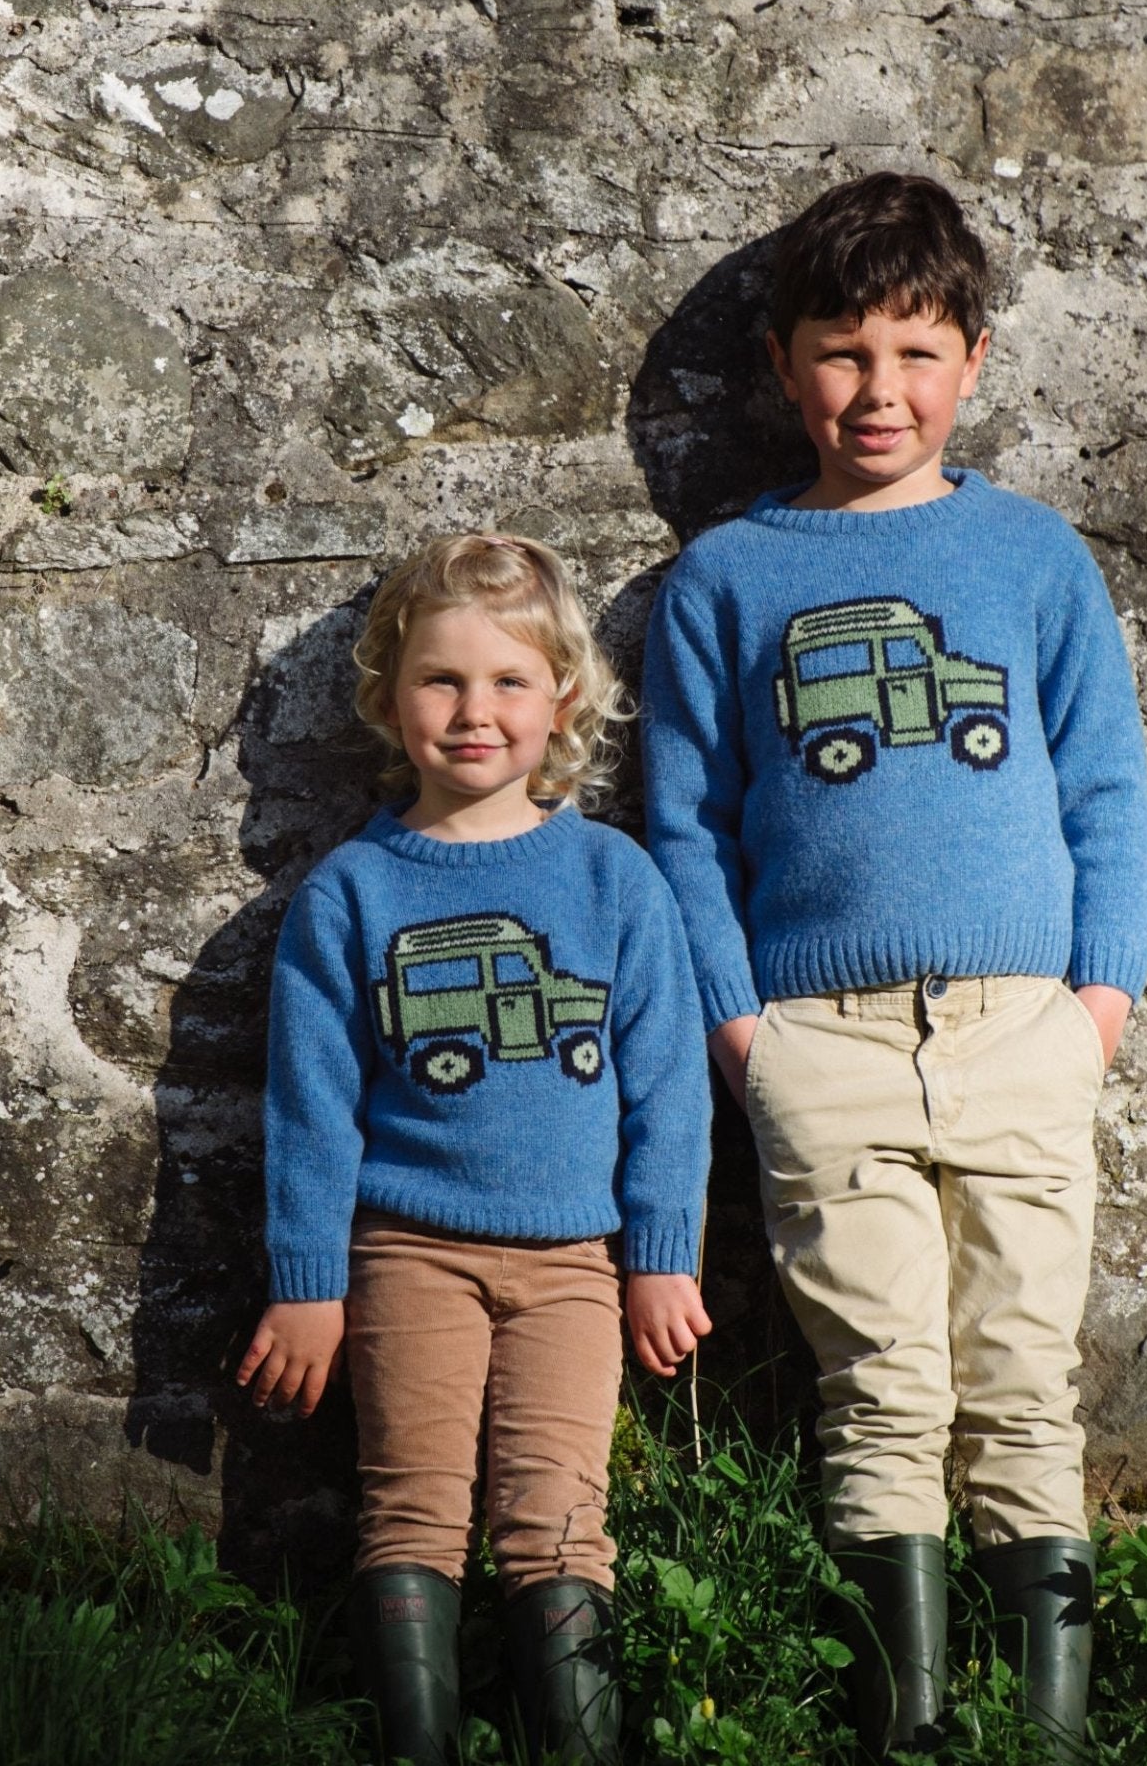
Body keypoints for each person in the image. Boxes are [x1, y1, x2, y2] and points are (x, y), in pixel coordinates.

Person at [641, 172, 1147, 1759]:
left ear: (973, 364)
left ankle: (1050, 1730)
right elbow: (685, 825)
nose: (881, 391)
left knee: (1021, 1376)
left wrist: (1098, 1006)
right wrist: (742, 1033)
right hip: (824, 1044)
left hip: (1021, 1030)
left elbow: (1104, 786)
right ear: (786, 372)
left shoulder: (1030, 556)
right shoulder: (727, 577)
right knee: (879, 1384)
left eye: (917, 354)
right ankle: (907, 1725)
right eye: (846, 354)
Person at [237, 532, 712, 1766]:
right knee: (412, 1506)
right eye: (442, 679)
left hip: (573, 1263)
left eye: (508, 680)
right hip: (408, 1253)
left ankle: (582, 1742)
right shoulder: (352, 892)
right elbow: (311, 1103)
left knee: (559, 1520)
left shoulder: (613, 878)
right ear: (390, 697)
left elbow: (667, 1085)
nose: (473, 710)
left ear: (562, 697)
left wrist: (661, 1255)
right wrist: (309, 1283)